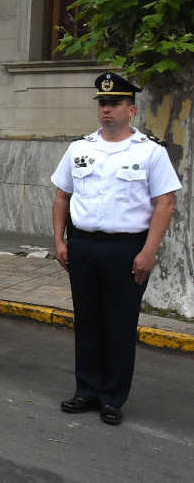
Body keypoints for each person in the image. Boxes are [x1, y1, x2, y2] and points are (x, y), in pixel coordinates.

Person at [51, 72, 180, 426]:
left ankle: (112, 397)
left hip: (127, 249)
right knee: (88, 321)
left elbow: (164, 204)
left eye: (115, 103)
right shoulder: (80, 149)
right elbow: (62, 196)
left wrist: (149, 251)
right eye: (103, 104)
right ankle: (86, 390)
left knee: (120, 324)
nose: (107, 109)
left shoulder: (150, 152)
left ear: (131, 109)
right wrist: (60, 240)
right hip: (84, 246)